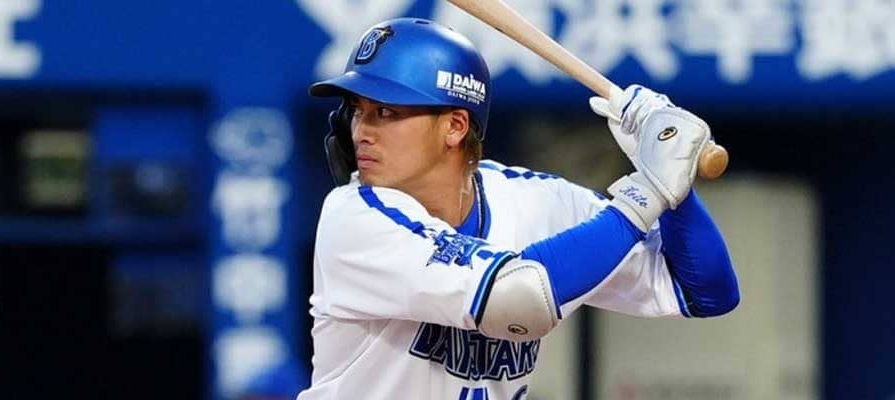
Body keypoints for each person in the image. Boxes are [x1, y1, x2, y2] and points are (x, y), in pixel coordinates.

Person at [298, 18, 739, 400]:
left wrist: (671, 178)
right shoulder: (353, 219)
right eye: (357, 111)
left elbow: (707, 291)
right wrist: (648, 191)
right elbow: (518, 299)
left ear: (455, 126)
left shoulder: (533, 200)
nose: (362, 131)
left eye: (385, 112)